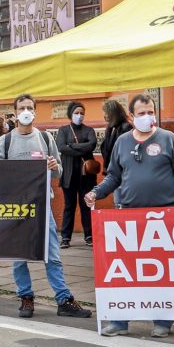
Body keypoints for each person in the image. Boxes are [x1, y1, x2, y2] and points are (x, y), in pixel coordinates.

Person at [87, 92, 174, 338]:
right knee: (124, 270)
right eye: (141, 113)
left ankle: (162, 321)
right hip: (128, 217)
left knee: (160, 271)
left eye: (150, 112)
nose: (147, 117)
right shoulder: (122, 142)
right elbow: (114, 177)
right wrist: (96, 193)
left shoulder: (168, 139)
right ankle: (119, 321)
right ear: (131, 116)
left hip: (162, 217)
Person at [0, 94, 92, 320]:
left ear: (35, 111)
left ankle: (63, 299)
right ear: (15, 112)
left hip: (42, 206)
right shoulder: (6, 141)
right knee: (18, 257)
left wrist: (54, 166)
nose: (26, 111)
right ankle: (26, 297)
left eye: (30, 107)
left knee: (52, 254)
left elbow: (59, 172)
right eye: (22, 107)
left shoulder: (45, 138)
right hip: (15, 208)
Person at [56, 101, 98, 246]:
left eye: (82, 113)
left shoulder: (89, 130)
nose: (79, 116)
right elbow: (61, 147)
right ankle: (66, 238)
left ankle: (89, 235)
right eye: (76, 113)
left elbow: (91, 145)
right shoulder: (63, 130)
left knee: (86, 204)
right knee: (69, 205)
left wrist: (72, 146)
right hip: (69, 174)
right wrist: (81, 148)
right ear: (70, 114)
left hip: (86, 175)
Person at [98, 98, 133, 175]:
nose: (104, 115)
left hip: (121, 172)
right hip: (111, 170)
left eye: (106, 113)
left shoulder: (126, 127)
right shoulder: (110, 128)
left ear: (114, 114)